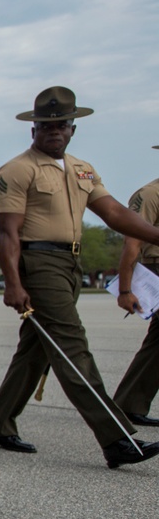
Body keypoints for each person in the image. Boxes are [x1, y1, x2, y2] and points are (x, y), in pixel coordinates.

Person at [0, 86, 159, 469]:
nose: (55, 131)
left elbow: (113, 213)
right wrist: (13, 283)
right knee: (71, 347)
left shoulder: (82, 168)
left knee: (38, 349)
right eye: (47, 125)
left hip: (70, 266)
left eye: (62, 125)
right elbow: (8, 234)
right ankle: (118, 438)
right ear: (34, 130)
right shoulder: (16, 170)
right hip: (39, 264)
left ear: (73, 128)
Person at [111, 145, 159, 427]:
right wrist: (125, 289)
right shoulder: (149, 194)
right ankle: (128, 405)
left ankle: (128, 404)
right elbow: (132, 242)